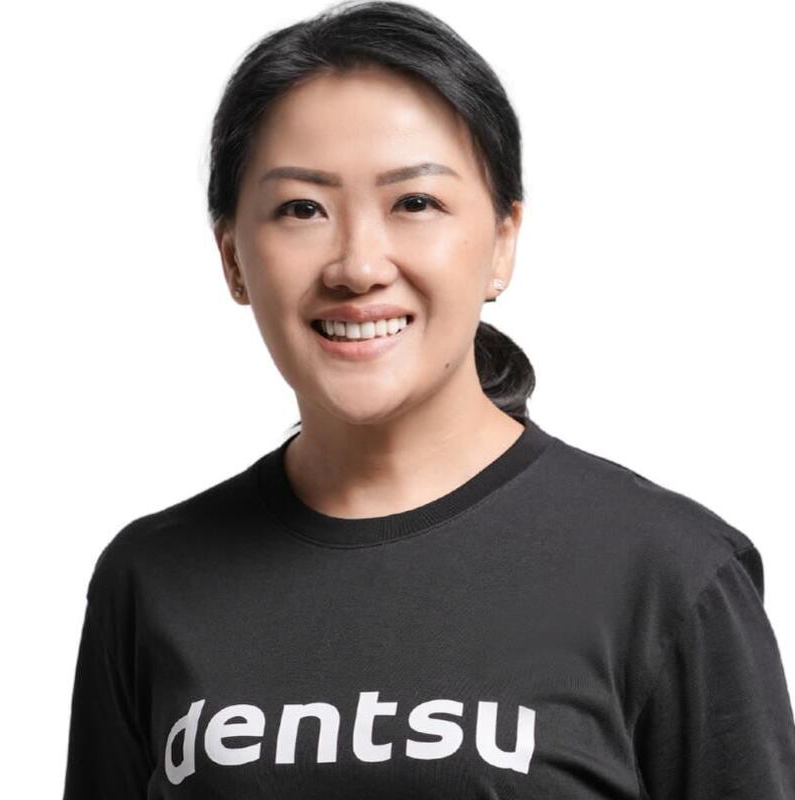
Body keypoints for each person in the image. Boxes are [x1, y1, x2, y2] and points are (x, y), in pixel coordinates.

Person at [62, 2, 795, 798]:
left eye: (415, 203)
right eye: (302, 208)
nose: (358, 265)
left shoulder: (668, 575)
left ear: (502, 242)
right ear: (233, 256)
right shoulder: (151, 579)